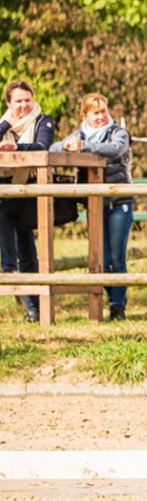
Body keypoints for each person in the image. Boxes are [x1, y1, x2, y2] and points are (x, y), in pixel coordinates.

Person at [50, 94, 133, 321]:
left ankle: (117, 307)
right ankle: (113, 294)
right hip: (95, 204)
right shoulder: (80, 134)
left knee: (118, 257)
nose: (101, 116)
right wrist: (68, 146)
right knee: (100, 258)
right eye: (95, 113)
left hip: (119, 201)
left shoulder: (118, 132)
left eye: (103, 111)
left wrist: (83, 146)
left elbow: (115, 149)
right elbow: (54, 148)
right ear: (85, 116)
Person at [0, 79, 56, 322]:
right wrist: (5, 124)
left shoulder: (44, 120)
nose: (23, 105)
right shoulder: (5, 123)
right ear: (9, 104)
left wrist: (17, 147)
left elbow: (43, 145)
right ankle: (9, 268)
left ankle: (34, 306)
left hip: (29, 188)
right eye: (18, 101)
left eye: (27, 100)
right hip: (5, 189)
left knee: (27, 249)